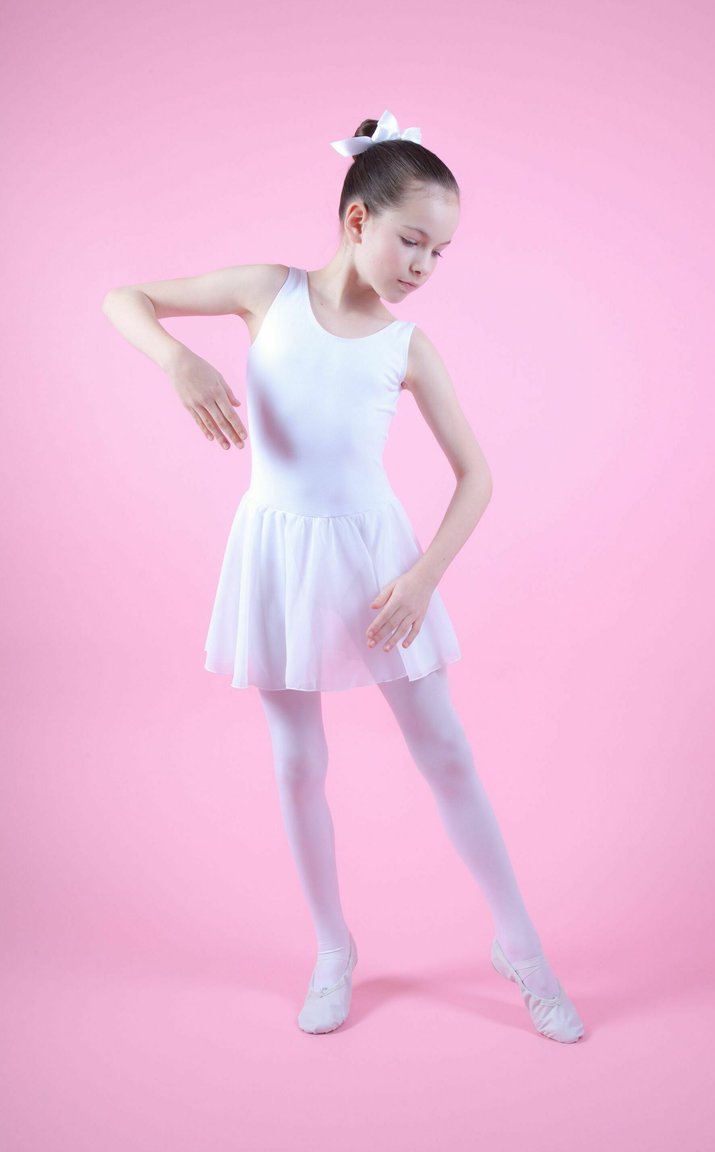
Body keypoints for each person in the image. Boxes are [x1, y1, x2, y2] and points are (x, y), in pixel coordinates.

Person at [101, 109, 585, 1044]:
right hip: (277, 554)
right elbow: (125, 298)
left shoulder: (408, 347)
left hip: (377, 564)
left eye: (439, 252)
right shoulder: (266, 291)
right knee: (298, 763)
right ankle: (333, 949)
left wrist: (423, 579)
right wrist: (178, 360)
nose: (424, 265)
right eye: (413, 240)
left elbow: (478, 478)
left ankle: (522, 949)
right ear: (358, 219)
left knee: (446, 751)